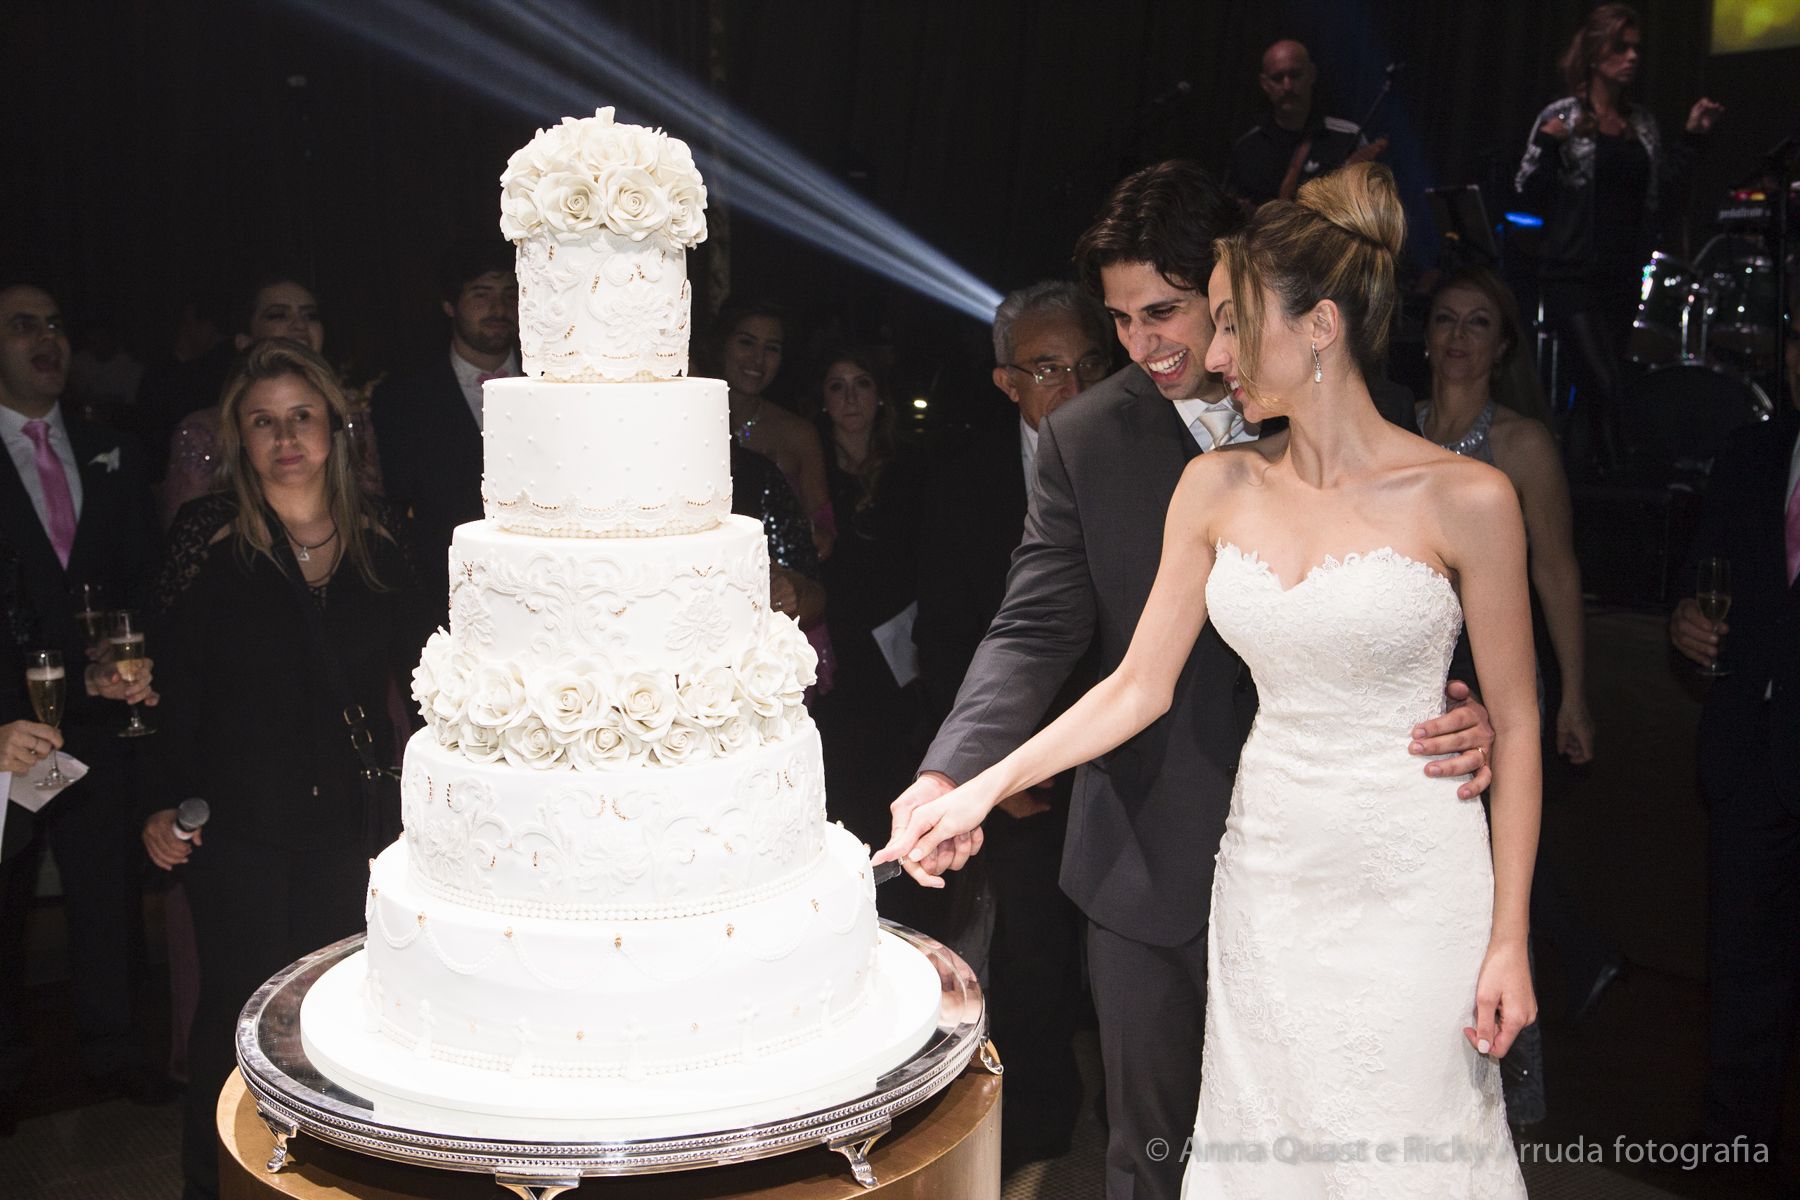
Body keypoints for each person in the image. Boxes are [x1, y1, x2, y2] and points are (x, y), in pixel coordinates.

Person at [885, 162, 1536, 1197]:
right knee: (1181, 1152)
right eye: (1121, 320)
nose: (1158, 346)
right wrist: (965, 780)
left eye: (1179, 314)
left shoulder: (1434, 462)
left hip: (1404, 866)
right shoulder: (1132, 454)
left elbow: (1444, 640)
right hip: (1193, 856)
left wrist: (1472, 722)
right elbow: (1067, 644)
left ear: (1300, 318)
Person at [141, 338, 430, 1200]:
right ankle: (217, 1186)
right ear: (240, 438)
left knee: (336, 1014)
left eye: (301, 416)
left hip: (351, 824)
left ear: (335, 427)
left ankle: (325, 1182)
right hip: (240, 825)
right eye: (263, 422)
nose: (285, 437)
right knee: (235, 1014)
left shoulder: (381, 538)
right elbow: (171, 688)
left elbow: (429, 680)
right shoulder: (207, 538)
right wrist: (160, 802)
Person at [913, 280, 1110, 1174]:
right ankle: (1033, 1143)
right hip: (1012, 769)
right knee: (1031, 957)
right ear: (1007, 382)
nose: (1073, 385)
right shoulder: (958, 473)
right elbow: (953, 632)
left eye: (1087, 363)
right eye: (1048, 367)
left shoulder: (1134, 447)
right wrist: (986, 771)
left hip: (1123, 746)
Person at [0, 281, 165, 1127]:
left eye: (56, 324)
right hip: (8, 732)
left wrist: (131, 659)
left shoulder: (112, 450)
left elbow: (146, 579)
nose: (48, 339)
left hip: (100, 721)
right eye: (23, 326)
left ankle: (117, 1052)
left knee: (106, 895)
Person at [1668, 297, 1799, 1170]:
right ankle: (1734, 1149)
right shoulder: (1751, 453)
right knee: (1744, 966)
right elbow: (1702, 578)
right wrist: (1685, 621)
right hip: (1752, 753)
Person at [1515, 3, 1723, 472]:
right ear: (1594, 53)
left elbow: (1662, 196)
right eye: (1621, 47)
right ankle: (1626, 485)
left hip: (1621, 276)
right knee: (1608, 384)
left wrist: (1692, 139)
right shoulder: (1562, 117)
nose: (1632, 57)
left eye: (1636, 49)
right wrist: (1549, 144)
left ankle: (1583, 496)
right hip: (1571, 275)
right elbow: (1527, 192)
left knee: (1592, 398)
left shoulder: (1641, 125)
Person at [1420, 267, 1594, 763]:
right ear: (1427, 336)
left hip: (1492, 672)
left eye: (1477, 322)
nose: (1458, 334)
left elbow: (1556, 572)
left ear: (1501, 347)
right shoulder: (1394, 429)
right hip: (1406, 664)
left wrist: (1574, 697)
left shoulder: (1524, 444)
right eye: (1446, 319)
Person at [811, 349, 926, 849]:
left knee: (896, 771)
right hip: (835, 642)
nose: (850, 397)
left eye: (861, 383)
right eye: (837, 386)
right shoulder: (810, 464)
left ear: (880, 395)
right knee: (842, 778)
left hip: (902, 646)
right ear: (823, 399)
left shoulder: (911, 462)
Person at [374, 239, 519, 606]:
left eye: (509, 294)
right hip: (446, 589)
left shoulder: (553, 380)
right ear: (449, 305)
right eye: (481, 295)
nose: (499, 308)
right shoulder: (403, 399)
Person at [160, 274, 332, 525]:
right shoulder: (204, 431)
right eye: (278, 315)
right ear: (245, 341)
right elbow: (184, 530)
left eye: (310, 315)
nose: (299, 326)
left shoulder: (349, 417)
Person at [1225, 38, 1383, 207]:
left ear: (1311, 74)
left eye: (1295, 75)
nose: (1287, 86)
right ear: (1265, 84)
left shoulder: (1348, 137)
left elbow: (1371, 209)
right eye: (1277, 78)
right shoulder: (1247, 148)